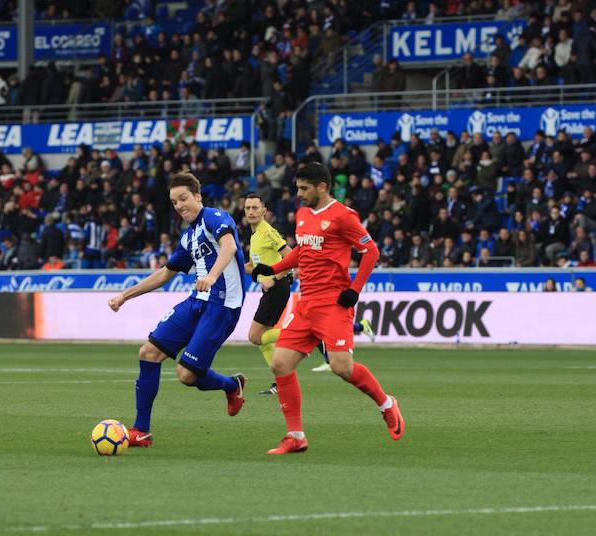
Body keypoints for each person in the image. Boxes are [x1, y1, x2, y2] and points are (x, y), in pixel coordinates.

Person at [252, 163, 404, 454]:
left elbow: (370, 252)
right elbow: (303, 251)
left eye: (304, 188)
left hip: (333, 302)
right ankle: (295, 436)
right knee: (280, 363)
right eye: (297, 188)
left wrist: (354, 291)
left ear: (322, 187)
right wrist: (274, 268)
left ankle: (387, 404)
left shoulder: (344, 216)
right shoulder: (304, 214)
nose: (299, 194)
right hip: (306, 301)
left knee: (341, 367)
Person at [108, 171, 247, 448]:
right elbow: (165, 273)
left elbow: (229, 246)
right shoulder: (188, 237)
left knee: (186, 376)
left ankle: (232, 386)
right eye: (174, 202)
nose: (179, 205)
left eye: (183, 198)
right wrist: (125, 295)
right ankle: (141, 430)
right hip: (196, 301)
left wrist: (211, 276)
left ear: (198, 196)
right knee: (148, 352)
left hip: (222, 307)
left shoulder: (214, 217)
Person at [243, 193, 293, 396]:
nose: (251, 212)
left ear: (264, 211)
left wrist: (274, 277)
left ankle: (305, 335)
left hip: (278, 288)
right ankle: (281, 382)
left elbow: (290, 256)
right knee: (263, 342)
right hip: (271, 290)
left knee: (255, 336)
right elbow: (253, 267)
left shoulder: (268, 231)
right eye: (248, 208)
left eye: (255, 208)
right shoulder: (255, 236)